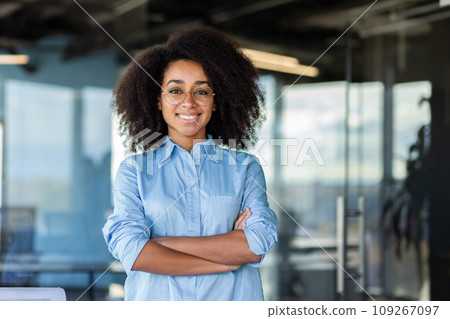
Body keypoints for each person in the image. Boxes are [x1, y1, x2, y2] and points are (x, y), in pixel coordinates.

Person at [102, 26, 278, 301]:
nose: (188, 102)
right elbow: (133, 251)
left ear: (217, 102)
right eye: (175, 90)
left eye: (202, 92)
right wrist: (224, 259)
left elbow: (254, 247)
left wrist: (161, 244)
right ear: (158, 101)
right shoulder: (134, 171)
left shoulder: (245, 168)